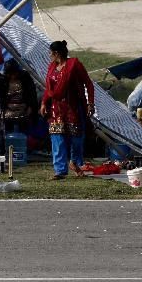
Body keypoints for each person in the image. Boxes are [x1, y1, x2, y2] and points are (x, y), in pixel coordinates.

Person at [40, 41, 94, 179]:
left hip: (73, 108)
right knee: (57, 139)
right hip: (56, 109)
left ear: (56, 53)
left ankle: (75, 163)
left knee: (76, 139)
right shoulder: (52, 67)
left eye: (51, 53)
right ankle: (60, 170)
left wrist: (90, 103)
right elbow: (49, 88)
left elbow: (88, 83)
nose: (49, 55)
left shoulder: (74, 65)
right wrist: (44, 103)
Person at [0, 59, 38, 135]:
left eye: (14, 74)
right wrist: (3, 110)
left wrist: (30, 107)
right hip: (8, 112)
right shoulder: (4, 80)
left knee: (23, 132)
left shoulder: (25, 78)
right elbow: (1, 97)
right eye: (10, 74)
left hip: (23, 110)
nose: (12, 76)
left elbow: (32, 94)